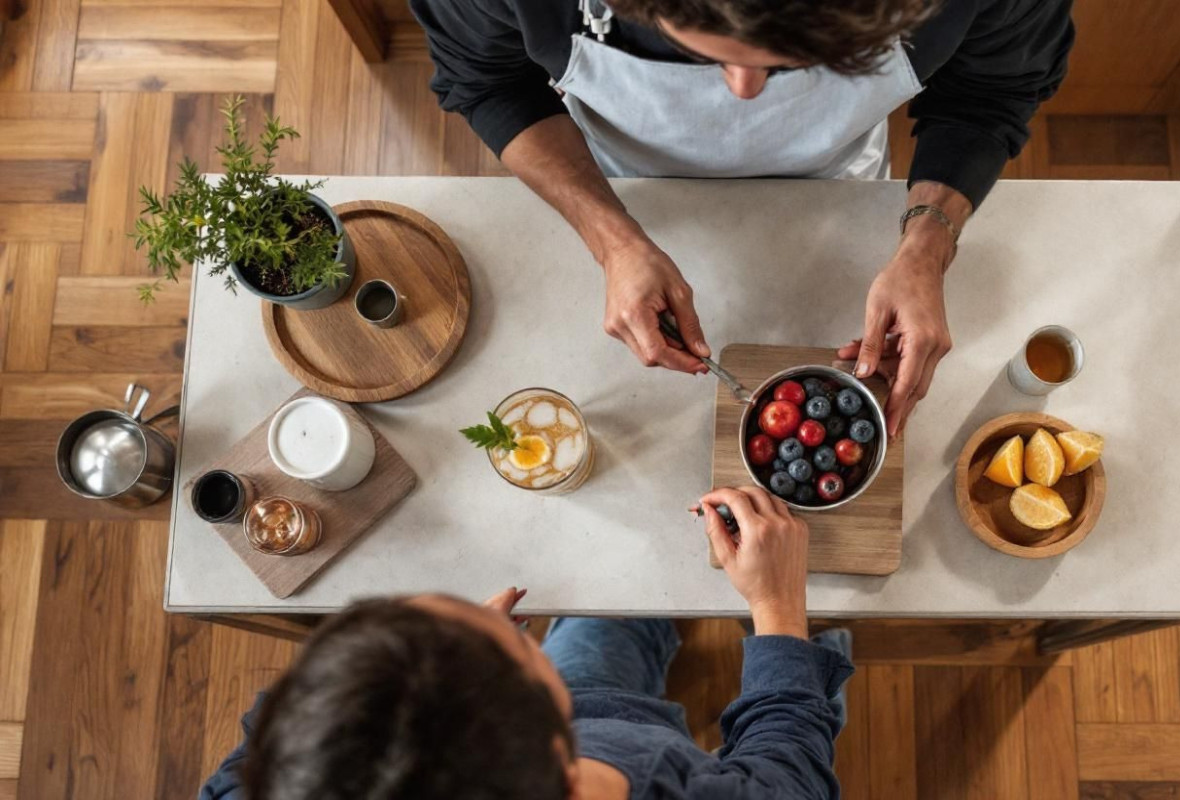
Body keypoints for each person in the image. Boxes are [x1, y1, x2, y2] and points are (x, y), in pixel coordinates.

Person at [409, 0, 1073, 436]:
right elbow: (490, 83)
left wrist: (927, 245)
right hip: (617, 183)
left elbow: (989, 96)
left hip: (840, 186)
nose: (744, 93)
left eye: (785, 66)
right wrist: (612, 240)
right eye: (711, 55)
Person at [198, 486, 854, 799]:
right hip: (635, 730)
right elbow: (787, 778)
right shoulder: (664, 788)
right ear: (561, 758)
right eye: (512, 647)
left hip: (602, 714)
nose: (488, 618)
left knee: (615, 611)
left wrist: (447, 658)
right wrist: (777, 606)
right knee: (813, 660)